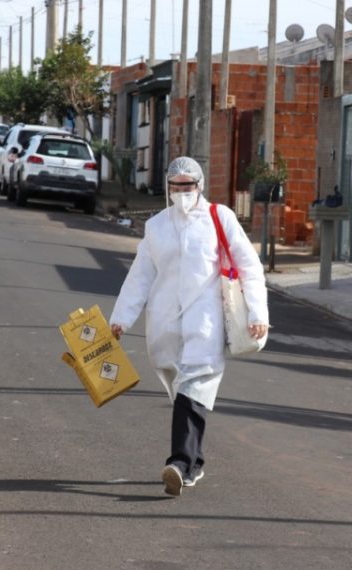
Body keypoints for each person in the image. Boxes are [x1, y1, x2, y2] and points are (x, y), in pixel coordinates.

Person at [109, 157, 269, 497]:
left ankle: (179, 463)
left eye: (188, 186)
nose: (182, 192)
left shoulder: (219, 218)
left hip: (205, 319)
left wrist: (258, 314)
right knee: (181, 388)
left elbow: (249, 266)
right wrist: (121, 319)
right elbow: (140, 276)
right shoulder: (157, 226)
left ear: (200, 186)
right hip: (165, 322)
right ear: (168, 188)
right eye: (176, 187)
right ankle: (193, 464)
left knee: (194, 386)